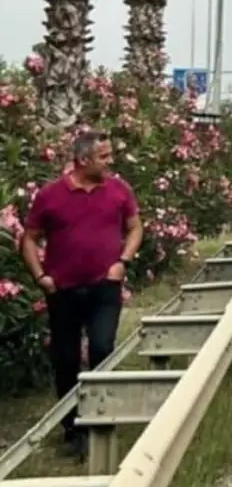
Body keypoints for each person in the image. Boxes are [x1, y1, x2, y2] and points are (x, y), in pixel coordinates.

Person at [20, 130, 142, 458]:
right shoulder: (50, 196)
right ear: (83, 159)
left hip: (105, 286)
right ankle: (72, 428)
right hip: (64, 290)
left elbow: (135, 227)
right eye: (104, 156)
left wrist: (123, 262)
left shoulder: (119, 190)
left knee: (103, 347)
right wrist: (40, 276)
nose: (110, 161)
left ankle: (98, 420)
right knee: (66, 358)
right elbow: (30, 238)